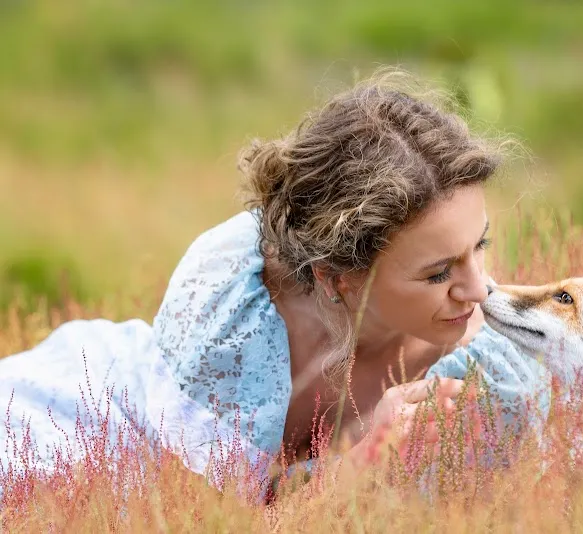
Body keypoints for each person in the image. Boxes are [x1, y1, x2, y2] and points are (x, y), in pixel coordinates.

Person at [0, 72, 551, 494]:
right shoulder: (234, 291)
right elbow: (211, 516)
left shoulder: (488, 375)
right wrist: (359, 463)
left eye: (479, 245)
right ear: (339, 279)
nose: (478, 290)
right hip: (81, 422)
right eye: (438, 273)